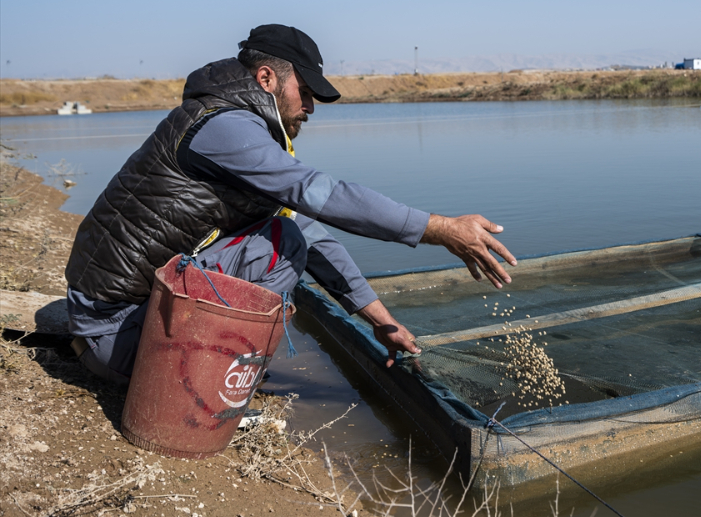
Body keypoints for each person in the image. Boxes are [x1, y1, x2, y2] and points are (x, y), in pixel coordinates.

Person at [64, 24, 516, 385]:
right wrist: (438, 228)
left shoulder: (230, 124)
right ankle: (206, 382)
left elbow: (315, 233)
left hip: (109, 324)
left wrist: (381, 321)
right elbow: (323, 196)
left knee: (292, 234)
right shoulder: (225, 128)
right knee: (281, 243)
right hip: (117, 336)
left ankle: (202, 366)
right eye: (307, 92)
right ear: (267, 79)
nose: (312, 108)